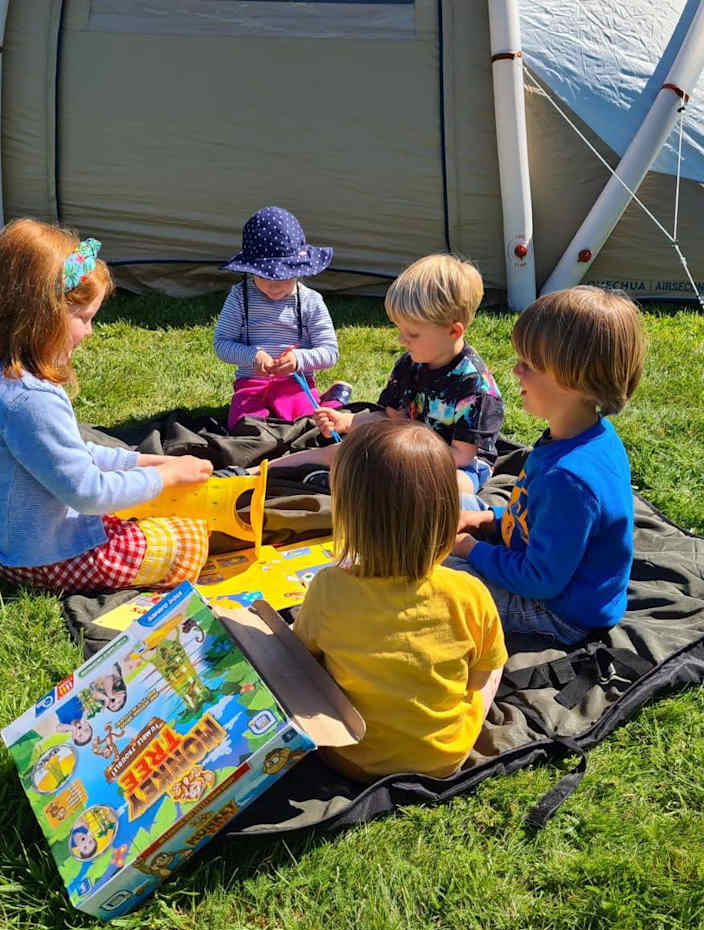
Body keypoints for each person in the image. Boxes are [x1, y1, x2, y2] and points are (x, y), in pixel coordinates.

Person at [0, 218, 214, 593]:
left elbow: (71, 456)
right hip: (28, 558)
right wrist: (167, 478)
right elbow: (88, 493)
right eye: (84, 318)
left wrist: (149, 462)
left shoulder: (0, 375)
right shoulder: (30, 399)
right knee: (190, 535)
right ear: (43, 315)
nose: (89, 332)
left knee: (136, 500)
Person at [293, 419, 507, 781]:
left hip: (349, 757)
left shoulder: (328, 588)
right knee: (497, 660)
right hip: (442, 758)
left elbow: (303, 661)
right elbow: (476, 680)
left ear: (348, 517)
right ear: (445, 515)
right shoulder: (469, 593)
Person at [448, 286, 646, 644]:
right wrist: (488, 520)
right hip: (536, 568)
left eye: (530, 365)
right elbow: (532, 517)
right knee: (452, 506)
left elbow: (539, 579)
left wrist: (470, 549)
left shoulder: (569, 478)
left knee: (438, 575)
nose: (515, 371)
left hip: (559, 610)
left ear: (574, 381)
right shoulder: (581, 434)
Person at [272, 253, 504, 504]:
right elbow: (389, 418)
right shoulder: (410, 364)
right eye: (399, 329)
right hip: (404, 447)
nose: (401, 340)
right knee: (339, 451)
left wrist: (401, 452)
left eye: (412, 333)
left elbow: (461, 456)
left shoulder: (476, 388)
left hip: (456, 466)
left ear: (453, 330)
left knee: (444, 489)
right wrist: (347, 421)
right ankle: (255, 473)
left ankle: (343, 485)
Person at [213, 206, 351, 429]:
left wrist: (298, 360)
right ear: (250, 269)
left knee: (308, 426)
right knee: (243, 427)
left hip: (295, 384)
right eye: (266, 276)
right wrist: (252, 355)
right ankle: (329, 400)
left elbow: (330, 353)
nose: (274, 285)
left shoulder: (311, 301)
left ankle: (331, 402)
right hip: (251, 384)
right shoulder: (240, 297)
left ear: (300, 269)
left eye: (285, 277)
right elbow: (221, 344)